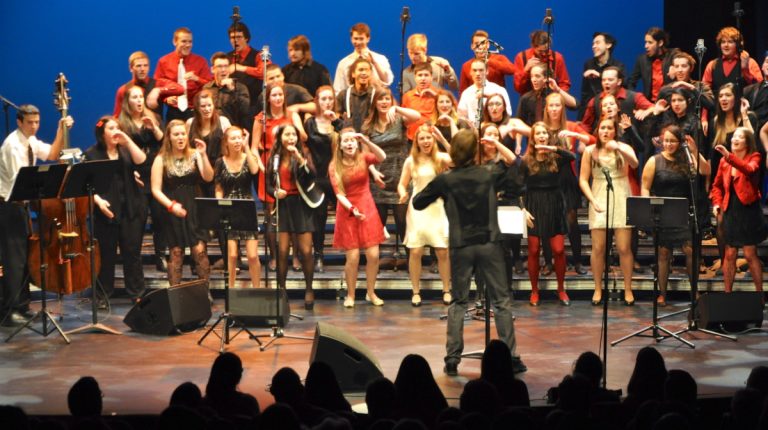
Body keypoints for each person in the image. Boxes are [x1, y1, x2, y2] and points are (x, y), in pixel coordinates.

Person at [412, 129, 526, 377]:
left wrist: (440, 191)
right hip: (489, 243)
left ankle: (453, 359)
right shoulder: (488, 173)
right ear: (475, 151)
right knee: (501, 302)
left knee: (459, 301)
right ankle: (511, 357)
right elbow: (513, 163)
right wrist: (495, 142)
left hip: (461, 245)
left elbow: (418, 202)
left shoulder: (446, 179)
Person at [0, 105, 72, 326]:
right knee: (13, 260)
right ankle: (9, 311)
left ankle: (22, 305)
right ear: (19, 122)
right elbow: (18, 183)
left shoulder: (30, 140)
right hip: (8, 206)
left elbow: (52, 154)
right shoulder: (13, 145)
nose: (34, 126)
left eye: (37, 122)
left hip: (20, 206)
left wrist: (60, 130)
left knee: (23, 259)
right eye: (30, 122)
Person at [640, 125, 710, 306]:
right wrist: (647, 207)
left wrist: (694, 151)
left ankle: (694, 291)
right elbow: (645, 187)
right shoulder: (654, 161)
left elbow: (705, 171)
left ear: (680, 143)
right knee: (663, 253)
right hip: (662, 212)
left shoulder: (687, 159)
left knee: (690, 250)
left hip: (683, 211)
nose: (669, 144)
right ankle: (662, 293)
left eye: (673, 141)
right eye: (666, 141)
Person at [85, 116, 147, 303]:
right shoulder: (92, 154)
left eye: (117, 127)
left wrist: (128, 141)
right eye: (111, 128)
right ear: (102, 133)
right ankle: (102, 295)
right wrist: (98, 202)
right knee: (106, 255)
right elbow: (87, 184)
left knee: (132, 252)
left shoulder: (125, 150)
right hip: (106, 209)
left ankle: (137, 293)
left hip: (130, 208)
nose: (116, 131)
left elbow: (141, 160)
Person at [579, 117, 638, 305]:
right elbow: (583, 179)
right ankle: (597, 288)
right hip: (598, 195)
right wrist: (592, 199)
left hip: (620, 193)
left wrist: (618, 148)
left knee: (624, 247)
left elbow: (635, 164)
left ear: (615, 131)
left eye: (609, 128)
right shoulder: (590, 151)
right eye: (602, 128)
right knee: (598, 248)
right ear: (597, 131)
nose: (605, 131)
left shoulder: (624, 147)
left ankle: (627, 288)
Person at [266, 124, 323, 310]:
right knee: (282, 251)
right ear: (280, 137)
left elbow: (312, 176)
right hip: (283, 205)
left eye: (293, 135)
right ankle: (282, 291)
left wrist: (299, 159)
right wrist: (275, 192)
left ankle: (309, 289)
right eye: (287, 134)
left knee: (306, 251)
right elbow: (268, 185)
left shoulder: (303, 154)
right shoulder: (274, 158)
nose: (291, 138)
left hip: (301, 204)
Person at [151, 119, 214, 287]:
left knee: (199, 251)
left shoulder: (195, 154)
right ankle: (175, 294)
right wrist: (171, 206)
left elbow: (209, 177)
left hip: (194, 207)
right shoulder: (161, 159)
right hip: (173, 209)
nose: (180, 137)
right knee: (176, 253)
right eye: (176, 134)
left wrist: (203, 155)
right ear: (169, 137)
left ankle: (204, 291)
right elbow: (155, 189)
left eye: (183, 134)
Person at [363, 88, 421, 267]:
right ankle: (374, 263)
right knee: (377, 224)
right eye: (380, 99)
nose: (384, 102)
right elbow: (365, 153)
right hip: (378, 179)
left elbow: (417, 116)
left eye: (387, 99)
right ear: (374, 103)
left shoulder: (398, 119)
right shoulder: (368, 125)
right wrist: (373, 172)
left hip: (400, 178)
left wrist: (398, 108)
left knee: (403, 223)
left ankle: (411, 263)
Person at [330, 127, 387, 308]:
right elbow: (339, 194)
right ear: (340, 145)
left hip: (367, 205)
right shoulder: (334, 165)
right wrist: (352, 209)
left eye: (352, 140)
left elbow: (382, 157)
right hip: (348, 209)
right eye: (345, 140)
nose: (349, 143)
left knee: (373, 254)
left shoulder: (364, 157)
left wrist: (366, 141)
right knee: (353, 257)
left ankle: (371, 292)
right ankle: (351, 294)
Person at [397, 124, 452, 306]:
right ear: (417, 141)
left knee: (442, 251)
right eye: (422, 138)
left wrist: (443, 139)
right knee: (416, 251)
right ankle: (415, 291)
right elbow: (401, 184)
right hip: (418, 208)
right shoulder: (410, 161)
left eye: (429, 137)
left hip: (437, 207)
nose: (426, 141)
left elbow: (457, 160)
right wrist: (402, 193)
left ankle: (446, 289)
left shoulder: (440, 158)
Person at [252, 83, 306, 269]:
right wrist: (263, 169)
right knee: (271, 216)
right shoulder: (260, 119)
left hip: (290, 165)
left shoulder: (292, 115)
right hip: (269, 166)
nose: (277, 98)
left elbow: (303, 138)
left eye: (280, 95)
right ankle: (274, 257)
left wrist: (296, 127)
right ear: (268, 98)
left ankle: (295, 256)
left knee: (292, 215)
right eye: (274, 95)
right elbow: (254, 148)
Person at [523, 122, 575, 306]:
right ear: (533, 138)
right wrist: (523, 209)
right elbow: (519, 187)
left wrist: (553, 148)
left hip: (554, 204)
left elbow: (572, 156)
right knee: (533, 250)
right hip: (533, 204)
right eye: (538, 133)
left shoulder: (556, 157)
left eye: (544, 133)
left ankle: (561, 289)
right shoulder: (526, 160)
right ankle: (534, 291)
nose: (542, 136)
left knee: (559, 250)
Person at [117, 83, 168, 272]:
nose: (139, 100)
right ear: (127, 101)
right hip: (136, 173)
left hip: (154, 170)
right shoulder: (121, 123)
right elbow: (120, 151)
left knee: (160, 216)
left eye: (141, 97)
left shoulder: (153, 117)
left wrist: (154, 128)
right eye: (134, 97)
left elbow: (164, 142)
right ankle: (134, 256)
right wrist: (129, 171)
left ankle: (160, 255)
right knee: (137, 218)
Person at [710, 127, 766, 296]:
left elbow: (748, 169)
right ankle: (728, 295)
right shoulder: (724, 162)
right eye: (734, 136)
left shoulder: (755, 157)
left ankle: (759, 295)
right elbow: (717, 186)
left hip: (748, 210)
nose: (735, 139)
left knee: (749, 254)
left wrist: (729, 156)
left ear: (747, 142)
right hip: (731, 209)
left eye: (740, 137)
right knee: (729, 254)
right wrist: (717, 203)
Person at [544, 92, 595, 275]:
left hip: (567, 178)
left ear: (563, 108)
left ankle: (578, 261)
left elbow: (593, 140)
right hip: (547, 179)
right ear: (546, 108)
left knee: (572, 220)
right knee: (548, 221)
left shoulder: (571, 126)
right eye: (551, 105)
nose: (554, 109)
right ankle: (548, 262)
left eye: (557, 105)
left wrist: (575, 134)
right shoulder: (541, 128)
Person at [476, 122, 526, 280]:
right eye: (489, 134)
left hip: (503, 206)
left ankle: (506, 288)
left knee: (504, 250)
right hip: (482, 207)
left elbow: (514, 159)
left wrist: (496, 143)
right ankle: (482, 289)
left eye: (496, 135)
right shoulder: (477, 158)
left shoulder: (503, 156)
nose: (492, 137)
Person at [214, 126, 262, 289]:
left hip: (247, 209)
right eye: (233, 138)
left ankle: (257, 289)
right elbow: (219, 188)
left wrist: (247, 147)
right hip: (229, 210)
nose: (237, 141)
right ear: (226, 142)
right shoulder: (220, 162)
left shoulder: (248, 157)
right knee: (232, 255)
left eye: (239, 137)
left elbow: (255, 170)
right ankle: (231, 290)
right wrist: (219, 205)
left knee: (252, 256)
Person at [304, 86, 342, 273]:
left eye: (330, 98)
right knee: (319, 219)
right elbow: (304, 145)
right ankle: (318, 255)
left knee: (346, 213)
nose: (327, 102)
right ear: (317, 101)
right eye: (323, 99)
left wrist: (336, 122)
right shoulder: (310, 123)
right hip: (317, 177)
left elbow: (350, 142)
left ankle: (351, 251)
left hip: (337, 176)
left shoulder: (339, 122)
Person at [154, 27, 212, 123]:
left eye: (190, 42)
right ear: (174, 42)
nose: (188, 45)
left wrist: (197, 79)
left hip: (196, 110)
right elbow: (157, 86)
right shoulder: (164, 62)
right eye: (184, 41)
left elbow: (210, 86)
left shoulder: (201, 61)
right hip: (173, 111)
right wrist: (166, 99)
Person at [186, 89, 232, 199]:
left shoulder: (223, 122)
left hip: (220, 175)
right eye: (203, 106)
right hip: (196, 176)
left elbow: (231, 149)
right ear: (197, 108)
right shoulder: (190, 123)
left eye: (209, 105)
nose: (207, 109)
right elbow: (186, 149)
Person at [581, 66, 655, 133]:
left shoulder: (634, 97)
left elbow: (653, 108)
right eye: (603, 80)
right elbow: (586, 125)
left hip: (630, 140)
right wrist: (584, 139)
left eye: (610, 80)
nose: (606, 83)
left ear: (619, 81)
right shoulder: (595, 101)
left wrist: (646, 111)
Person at [114, 51, 183, 118]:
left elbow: (180, 89)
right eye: (138, 66)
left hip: (156, 125)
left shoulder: (157, 84)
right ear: (131, 68)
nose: (142, 69)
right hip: (131, 125)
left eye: (145, 65)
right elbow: (117, 116)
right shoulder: (123, 90)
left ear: (149, 68)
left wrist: (158, 90)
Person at [702, 26, 763, 96]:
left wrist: (745, 70)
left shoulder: (750, 62)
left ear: (738, 45)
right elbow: (704, 91)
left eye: (730, 42)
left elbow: (759, 88)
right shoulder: (712, 64)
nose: (726, 45)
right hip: (718, 103)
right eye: (723, 42)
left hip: (743, 102)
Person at [333, 22, 393, 93]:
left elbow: (387, 81)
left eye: (361, 39)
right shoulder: (343, 63)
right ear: (351, 39)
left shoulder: (380, 59)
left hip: (376, 98)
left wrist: (374, 63)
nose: (358, 42)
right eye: (355, 38)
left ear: (368, 39)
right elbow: (338, 89)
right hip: (353, 99)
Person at [227, 22, 269, 121]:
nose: (235, 40)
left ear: (246, 38)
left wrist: (241, 68)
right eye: (232, 38)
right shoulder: (227, 57)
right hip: (231, 108)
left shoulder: (259, 55)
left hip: (253, 107)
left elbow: (265, 72)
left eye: (239, 37)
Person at [580, 32, 626, 119]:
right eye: (593, 44)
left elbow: (625, 85)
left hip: (612, 110)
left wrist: (600, 75)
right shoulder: (588, 64)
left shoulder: (618, 65)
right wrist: (580, 117)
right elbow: (585, 93)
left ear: (608, 45)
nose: (594, 46)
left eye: (597, 43)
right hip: (593, 111)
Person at [513, 30, 571, 96]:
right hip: (529, 99)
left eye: (546, 51)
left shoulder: (557, 58)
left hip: (552, 98)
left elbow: (564, 84)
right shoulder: (522, 57)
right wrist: (525, 70)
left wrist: (557, 97)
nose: (544, 54)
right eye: (540, 51)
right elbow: (518, 88)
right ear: (533, 46)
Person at [458, 29, 516, 94]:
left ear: (488, 45)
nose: (480, 47)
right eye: (476, 44)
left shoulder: (499, 58)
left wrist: (489, 61)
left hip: (496, 98)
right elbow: (463, 92)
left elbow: (512, 70)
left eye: (483, 43)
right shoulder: (466, 65)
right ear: (472, 46)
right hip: (475, 98)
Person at [628, 27, 677, 103]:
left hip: (671, 103)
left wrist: (676, 68)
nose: (646, 46)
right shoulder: (642, 60)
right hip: (650, 104)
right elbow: (631, 82)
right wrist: (636, 99)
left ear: (660, 43)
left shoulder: (673, 56)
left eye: (650, 42)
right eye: (646, 42)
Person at [458, 59, 512, 127]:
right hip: (473, 129)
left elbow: (508, 113)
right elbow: (461, 116)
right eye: (474, 70)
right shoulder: (466, 93)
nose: (477, 74)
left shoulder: (499, 90)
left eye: (481, 70)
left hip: (496, 128)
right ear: (470, 72)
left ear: (487, 71)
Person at [204, 52, 250, 128]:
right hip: (211, 127)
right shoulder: (207, 88)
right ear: (212, 69)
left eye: (226, 66)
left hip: (232, 129)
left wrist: (232, 90)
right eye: (219, 66)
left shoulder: (240, 88)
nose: (223, 70)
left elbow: (244, 110)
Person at [336, 57, 377, 132]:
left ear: (371, 74)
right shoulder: (343, 95)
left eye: (367, 70)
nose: (364, 73)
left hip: (371, 136)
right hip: (349, 136)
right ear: (353, 74)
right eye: (361, 70)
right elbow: (336, 117)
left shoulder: (376, 95)